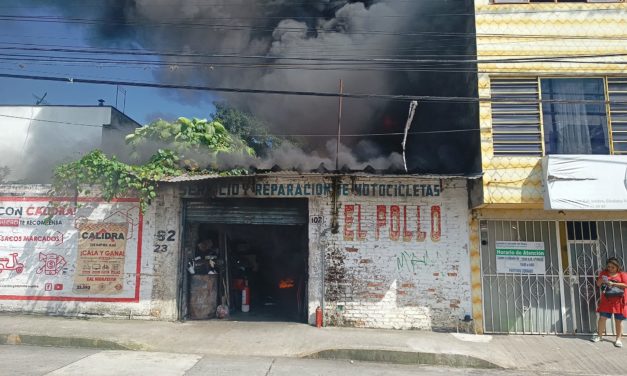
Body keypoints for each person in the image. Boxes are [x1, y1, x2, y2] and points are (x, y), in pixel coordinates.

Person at [591, 257, 627, 347]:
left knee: (618, 320)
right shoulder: (604, 273)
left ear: (617, 267)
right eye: (609, 267)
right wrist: (603, 280)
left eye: (612, 267)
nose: (610, 269)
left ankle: (618, 339)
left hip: (619, 301)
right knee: (602, 318)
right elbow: (598, 284)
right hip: (606, 300)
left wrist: (613, 283)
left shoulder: (622, 274)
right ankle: (599, 336)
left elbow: (625, 285)